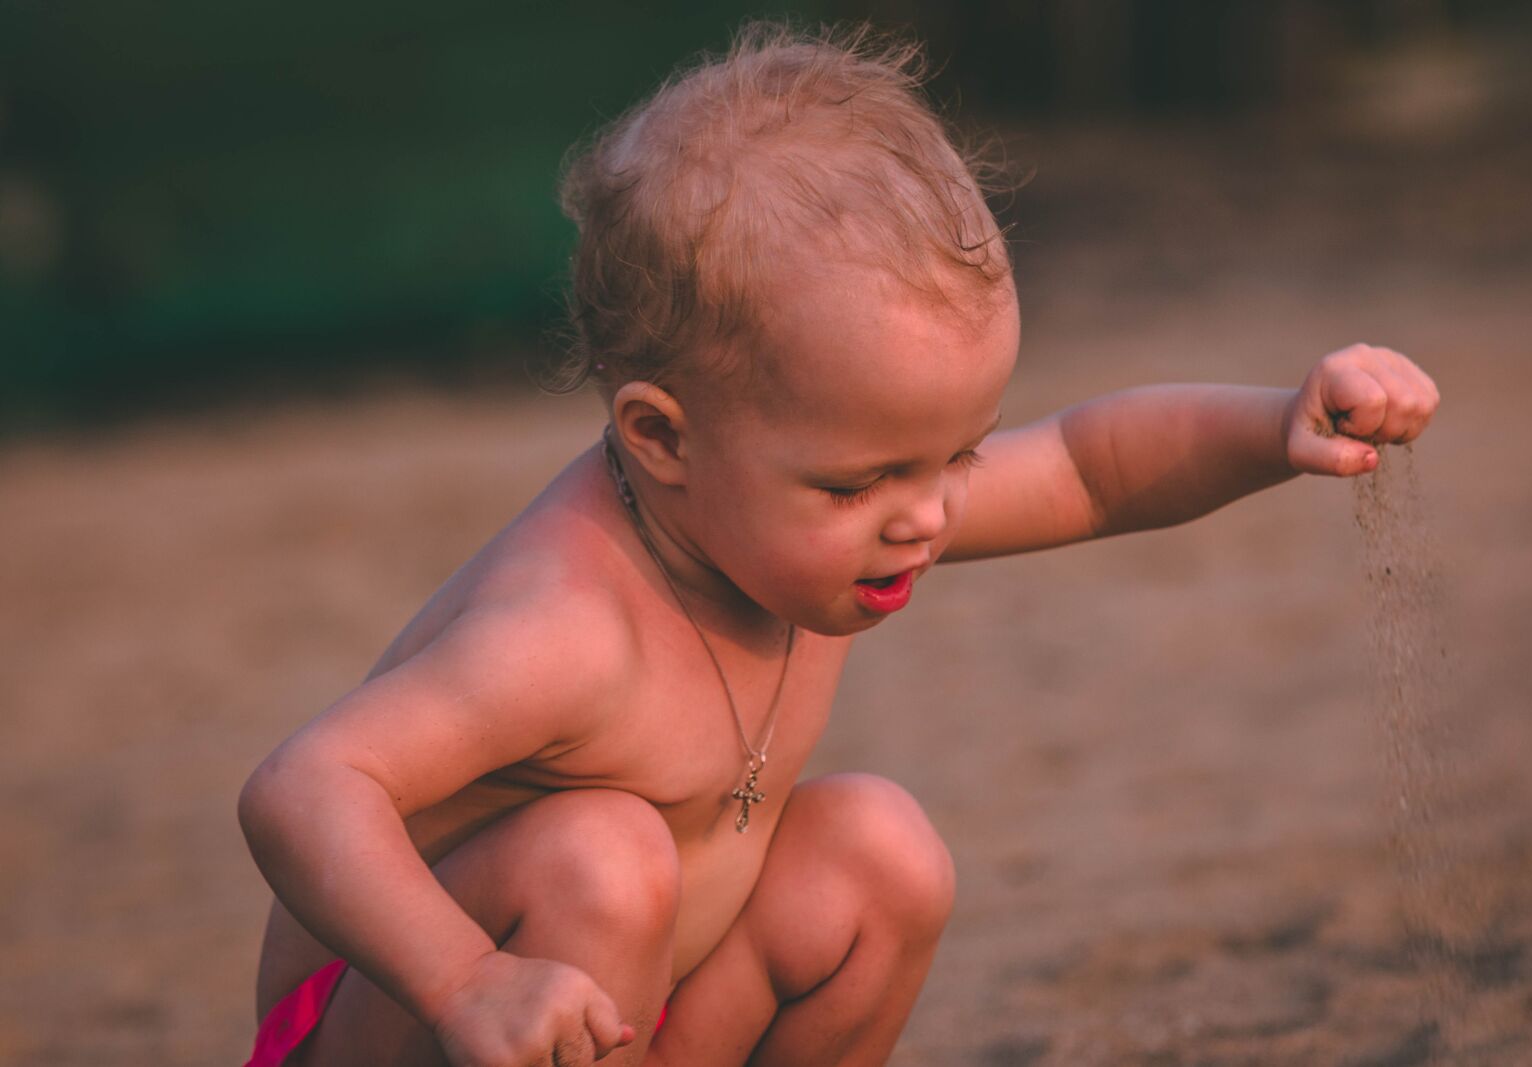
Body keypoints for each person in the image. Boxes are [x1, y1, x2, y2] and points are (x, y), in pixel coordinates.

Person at [238, 21, 1439, 1067]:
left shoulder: (826, 517)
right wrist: (462, 979)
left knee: (877, 850)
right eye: (861, 478)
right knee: (599, 855)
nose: (922, 514)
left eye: (954, 456)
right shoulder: (567, 629)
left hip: (619, 1020)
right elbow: (303, 787)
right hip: (423, 1026)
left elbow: (1086, 465)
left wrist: (1275, 422)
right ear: (663, 437)